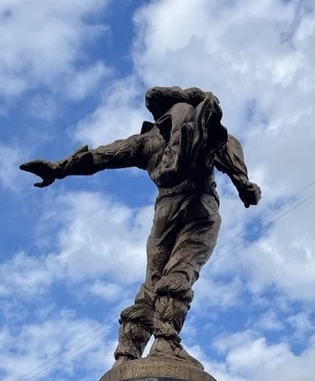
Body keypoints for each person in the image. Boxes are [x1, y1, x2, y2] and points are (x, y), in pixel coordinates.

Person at [21, 86, 261, 366]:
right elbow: (243, 181)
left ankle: (126, 354)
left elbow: (100, 157)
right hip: (200, 206)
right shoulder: (205, 128)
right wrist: (246, 186)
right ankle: (166, 342)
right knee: (181, 269)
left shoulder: (147, 141)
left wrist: (59, 168)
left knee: (152, 284)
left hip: (165, 209)